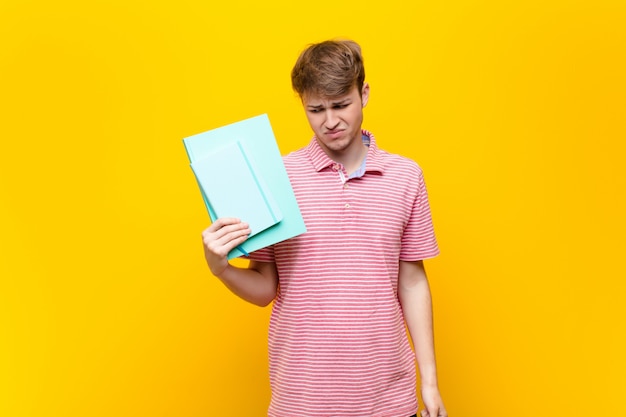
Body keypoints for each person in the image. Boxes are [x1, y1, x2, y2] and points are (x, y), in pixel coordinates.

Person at [202, 39, 448, 417]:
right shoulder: (277, 177)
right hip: (301, 401)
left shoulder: (405, 176)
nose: (330, 121)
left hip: (388, 402)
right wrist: (220, 268)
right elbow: (265, 289)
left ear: (363, 93)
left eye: (341, 105)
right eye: (316, 109)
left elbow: (412, 281)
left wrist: (429, 382)